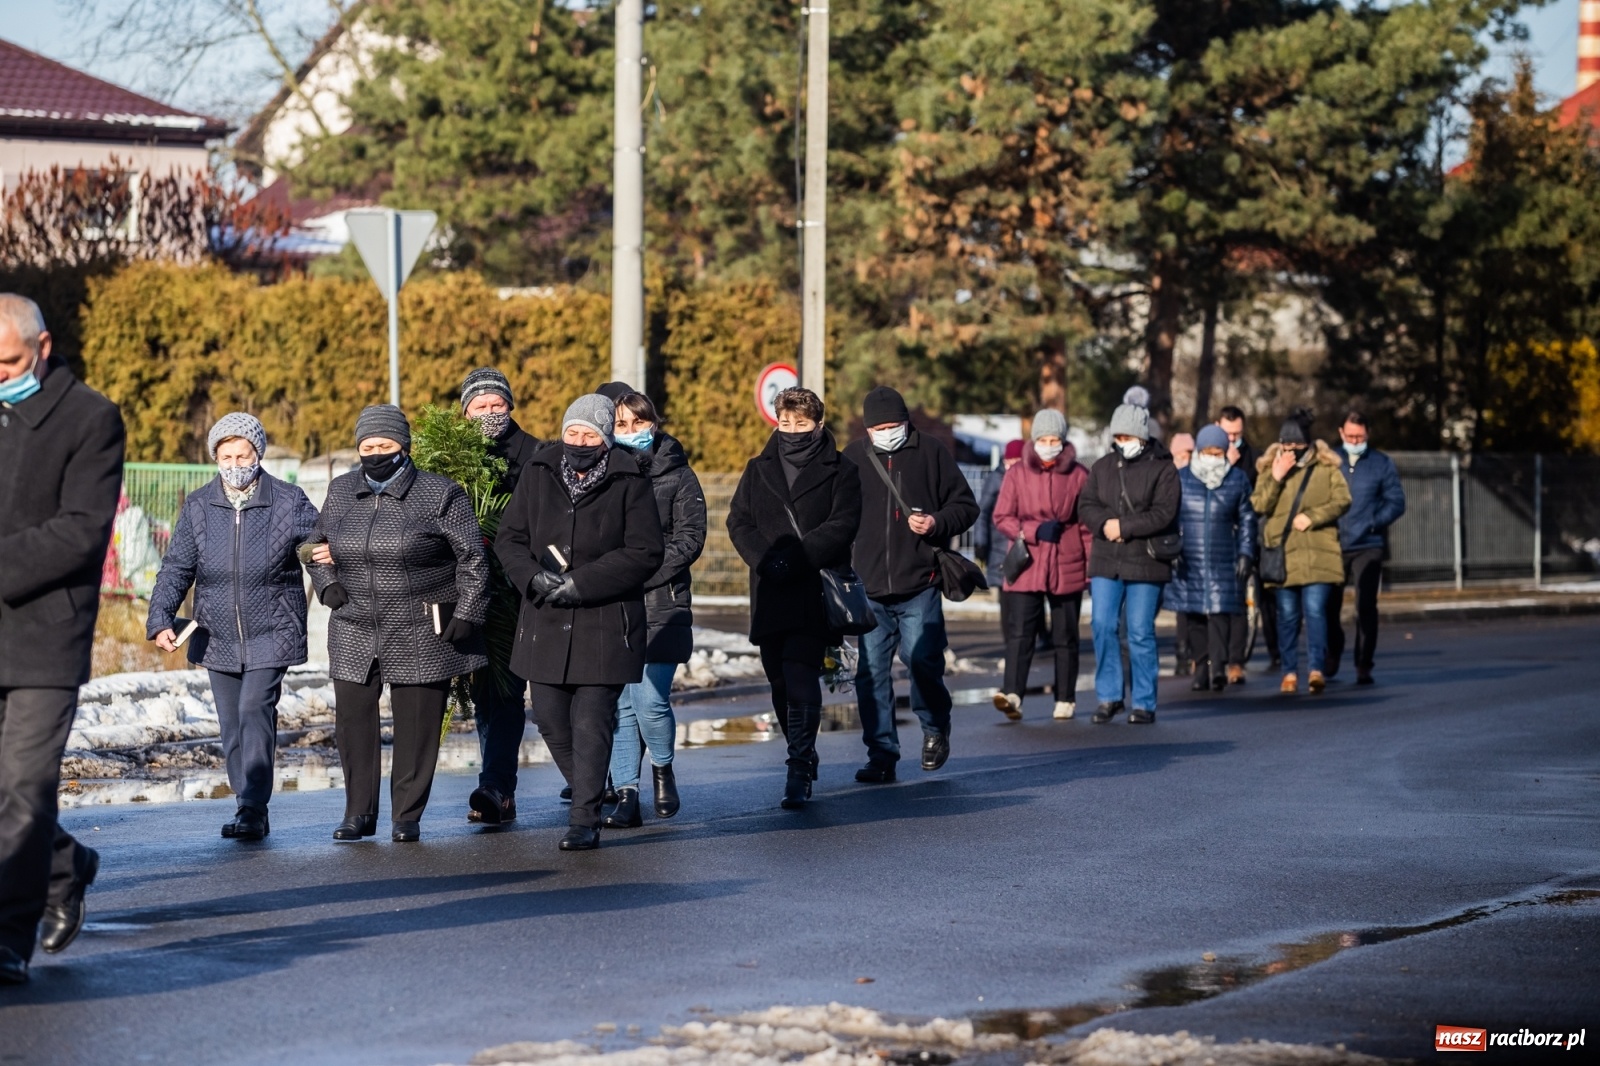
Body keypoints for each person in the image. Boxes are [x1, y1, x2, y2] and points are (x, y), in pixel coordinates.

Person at [0, 294, 124, 985]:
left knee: (22, 784)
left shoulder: (90, 417)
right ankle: (65, 864)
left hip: (46, 632)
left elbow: (82, 529)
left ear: (42, 349)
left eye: (7, 363)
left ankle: (7, 937)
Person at [308, 405, 490, 843]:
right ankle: (358, 813)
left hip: (418, 626)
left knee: (416, 727)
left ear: (403, 448)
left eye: (384, 446)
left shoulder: (440, 494)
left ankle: (406, 814)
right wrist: (327, 583)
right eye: (366, 447)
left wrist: (468, 611)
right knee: (353, 723)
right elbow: (315, 543)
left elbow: (474, 558)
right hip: (354, 624)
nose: (374, 453)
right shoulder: (342, 490)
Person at [495, 394, 663, 849]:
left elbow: (644, 551)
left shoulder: (630, 480)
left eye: (590, 435)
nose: (580, 442)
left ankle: (583, 819)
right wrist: (532, 577)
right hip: (544, 617)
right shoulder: (538, 473)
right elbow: (510, 539)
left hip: (605, 622)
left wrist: (582, 584)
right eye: (574, 433)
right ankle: (595, 788)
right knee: (551, 720)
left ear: (606, 439)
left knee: (592, 722)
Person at [145, 413, 320, 841]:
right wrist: (160, 618)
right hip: (216, 632)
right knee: (231, 723)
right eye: (226, 455)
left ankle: (254, 807)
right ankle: (246, 804)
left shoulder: (288, 499)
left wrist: (332, 581)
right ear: (215, 457)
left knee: (252, 709)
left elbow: (319, 546)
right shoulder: (199, 505)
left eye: (243, 454)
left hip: (273, 628)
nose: (235, 463)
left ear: (257, 454)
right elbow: (177, 567)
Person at [726, 387, 862, 809]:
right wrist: (766, 561)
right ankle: (801, 748)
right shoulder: (758, 468)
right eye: (785, 423)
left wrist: (798, 558)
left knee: (800, 671)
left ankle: (798, 765)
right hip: (770, 588)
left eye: (800, 424)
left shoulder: (842, 470)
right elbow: (738, 520)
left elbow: (844, 523)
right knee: (778, 678)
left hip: (812, 588)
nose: (791, 431)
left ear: (818, 425)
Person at [843, 386, 978, 782]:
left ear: (906, 422)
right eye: (879, 427)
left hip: (920, 582)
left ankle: (936, 728)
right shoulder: (852, 459)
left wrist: (937, 521)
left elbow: (966, 506)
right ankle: (882, 754)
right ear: (867, 430)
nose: (887, 433)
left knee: (922, 663)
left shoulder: (931, 452)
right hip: (868, 589)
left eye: (894, 425)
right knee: (870, 674)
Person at [600, 389, 706, 829]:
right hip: (614, 604)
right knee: (620, 704)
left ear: (655, 423)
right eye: (621, 425)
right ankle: (627, 793)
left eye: (638, 423)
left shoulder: (679, 475)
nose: (631, 433)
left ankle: (662, 767)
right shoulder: (603, 473)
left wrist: (641, 572)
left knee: (648, 697)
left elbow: (690, 538)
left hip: (664, 601)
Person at [458, 367, 541, 826]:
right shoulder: (454, 460)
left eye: (497, 404)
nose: (489, 413)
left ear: (510, 405)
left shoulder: (536, 456)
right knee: (483, 692)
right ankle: (497, 787)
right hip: (468, 591)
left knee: (507, 692)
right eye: (479, 406)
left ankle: (495, 785)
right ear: (465, 412)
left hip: (517, 592)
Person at [1079, 403, 1181, 725]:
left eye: (1129, 434)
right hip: (1106, 558)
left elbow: (1165, 513)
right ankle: (1109, 697)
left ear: (1142, 435)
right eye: (1118, 435)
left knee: (1138, 631)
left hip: (1146, 560)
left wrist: (1125, 527)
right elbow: (1086, 504)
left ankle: (1144, 702)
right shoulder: (1103, 466)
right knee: (1102, 625)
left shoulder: (1164, 468)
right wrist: (1106, 524)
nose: (1123, 440)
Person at [990, 410, 1092, 720]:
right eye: (1043, 440)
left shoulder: (1079, 475)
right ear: (1034, 441)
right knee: (1020, 631)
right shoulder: (1017, 473)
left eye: (1055, 440)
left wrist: (1090, 570)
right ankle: (1013, 694)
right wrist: (1033, 531)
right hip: (1027, 561)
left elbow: (1087, 527)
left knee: (1065, 635)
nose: (1049, 446)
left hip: (1067, 560)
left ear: (1063, 440)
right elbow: (1001, 517)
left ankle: (1065, 697)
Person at [1251, 410, 1351, 695]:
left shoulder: (1326, 466)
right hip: (1283, 556)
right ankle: (1289, 671)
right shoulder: (1270, 466)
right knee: (1287, 614)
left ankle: (1316, 669)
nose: (1291, 452)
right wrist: (1276, 477)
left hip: (1319, 552)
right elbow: (1259, 505)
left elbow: (1343, 500)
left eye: (1297, 447)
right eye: (1286, 446)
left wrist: (1313, 517)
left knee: (1315, 610)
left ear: (1307, 444)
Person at [1161, 424, 1257, 691]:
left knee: (1219, 614)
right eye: (1208, 451)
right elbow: (1169, 516)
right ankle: (1200, 668)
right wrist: (1172, 548)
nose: (1213, 457)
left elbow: (1248, 519)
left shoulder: (1237, 480)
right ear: (1199, 451)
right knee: (1193, 616)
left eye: (1218, 452)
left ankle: (1219, 667)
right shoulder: (1181, 478)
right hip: (1188, 557)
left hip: (1222, 557)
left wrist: (1246, 554)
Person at [1327, 411, 1405, 684]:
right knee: (1327, 605)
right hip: (1334, 544)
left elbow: (1396, 501)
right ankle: (1333, 650)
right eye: (1350, 436)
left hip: (1368, 544)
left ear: (1368, 434)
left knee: (1366, 606)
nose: (1355, 440)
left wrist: (1374, 522)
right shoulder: (1331, 461)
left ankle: (1363, 662)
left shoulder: (1381, 463)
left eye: (1359, 436)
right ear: (1341, 433)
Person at [1218, 404, 1275, 670]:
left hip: (1248, 534)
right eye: (1228, 434)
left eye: (1237, 433)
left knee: (1251, 598)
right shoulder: (1207, 456)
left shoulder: (1255, 458)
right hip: (1218, 536)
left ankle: (1240, 660)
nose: (1232, 439)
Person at [973, 440, 1024, 589]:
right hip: (998, 546)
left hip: (1021, 547)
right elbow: (982, 512)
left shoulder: (1028, 478)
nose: (1013, 464)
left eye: (1017, 460)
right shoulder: (996, 478)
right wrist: (980, 543)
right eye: (1010, 460)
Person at [1166, 431, 1196, 674]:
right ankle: (1182, 650)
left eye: (1188, 454)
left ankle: (1193, 651)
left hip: (1195, 545)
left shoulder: (1197, 477)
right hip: (1175, 546)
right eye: (1179, 455)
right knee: (1180, 604)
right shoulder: (1167, 477)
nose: (1183, 459)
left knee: (1192, 603)